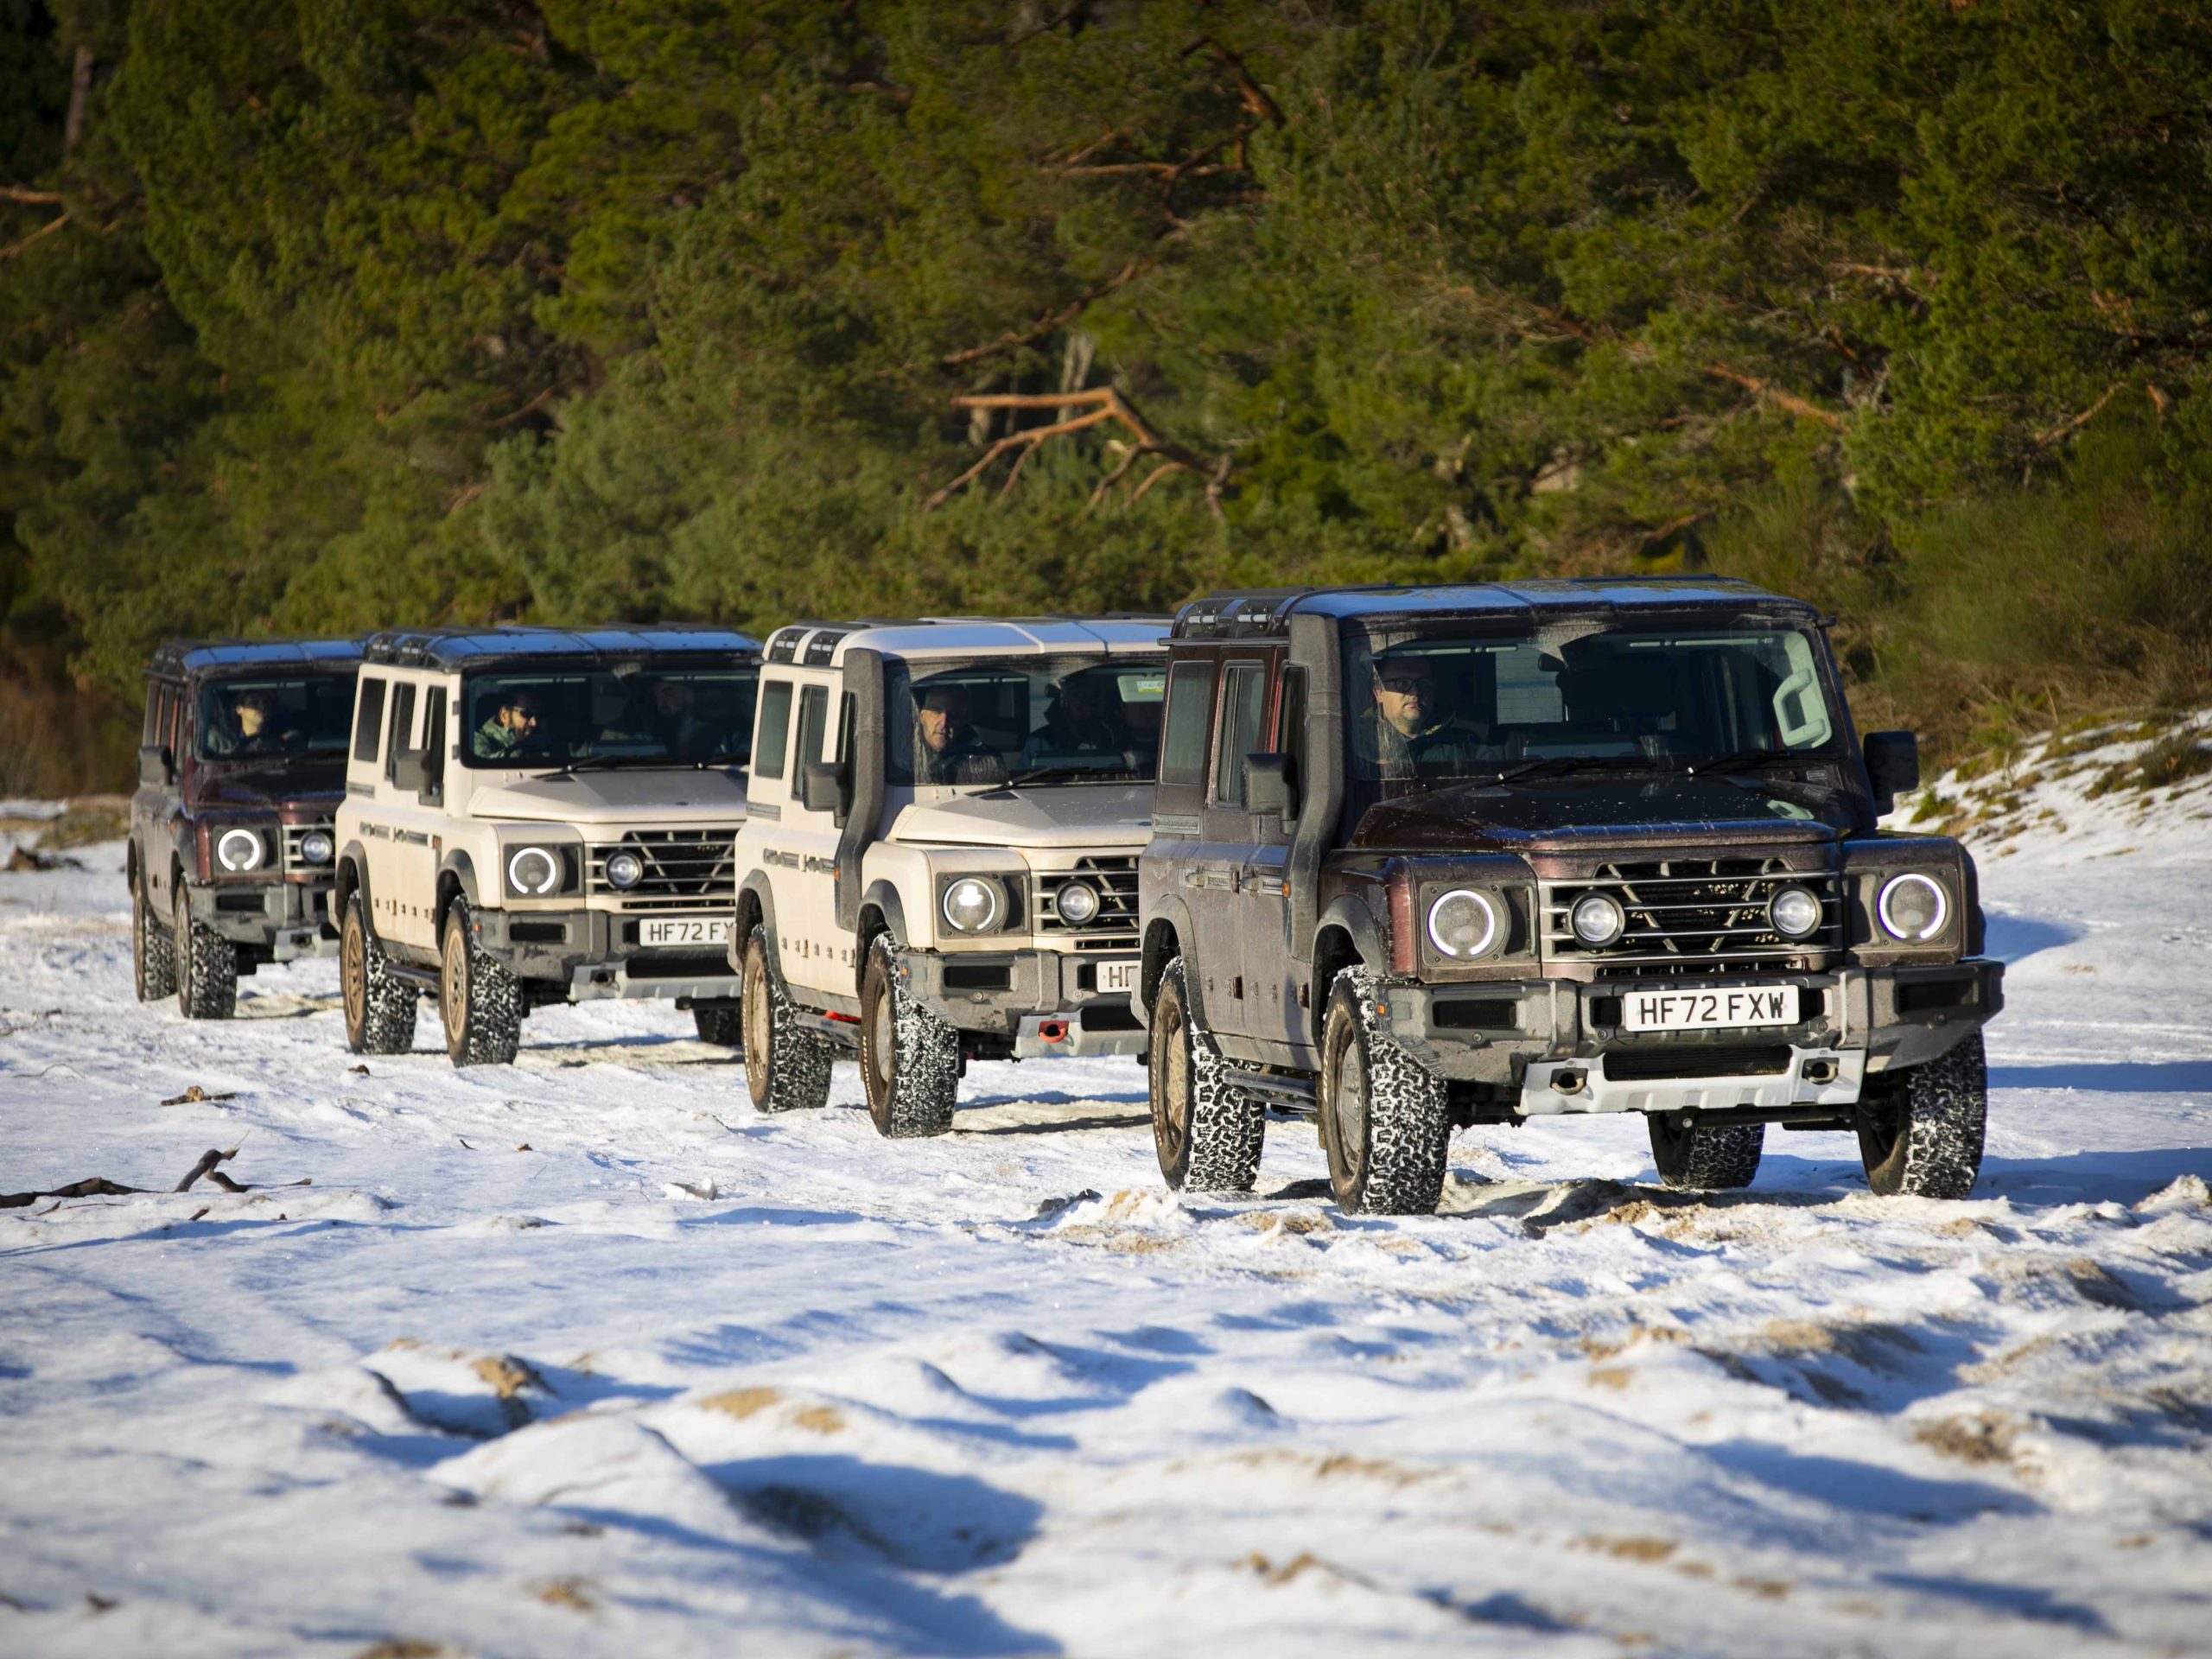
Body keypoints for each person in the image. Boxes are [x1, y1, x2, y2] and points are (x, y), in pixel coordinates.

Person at [1362, 649, 1495, 776]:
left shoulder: (1464, 741)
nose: (1415, 692)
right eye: (1402, 683)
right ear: (1378, 692)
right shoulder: (1359, 743)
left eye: (1423, 683)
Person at [912, 683, 1003, 785]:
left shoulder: (985, 759)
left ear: (962, 721)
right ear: (922, 716)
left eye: (953, 715)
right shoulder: (903, 759)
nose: (944, 722)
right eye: (937, 711)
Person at [1029, 674, 1128, 756]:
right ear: (1065, 704)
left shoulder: (1116, 736)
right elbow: (1024, 775)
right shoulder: (1039, 742)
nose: (1088, 711)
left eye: (1093, 704)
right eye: (1080, 704)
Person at [476, 689, 543, 761]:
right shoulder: (477, 741)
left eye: (537, 716)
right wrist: (519, 746)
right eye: (526, 714)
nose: (534, 723)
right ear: (504, 715)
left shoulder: (540, 739)